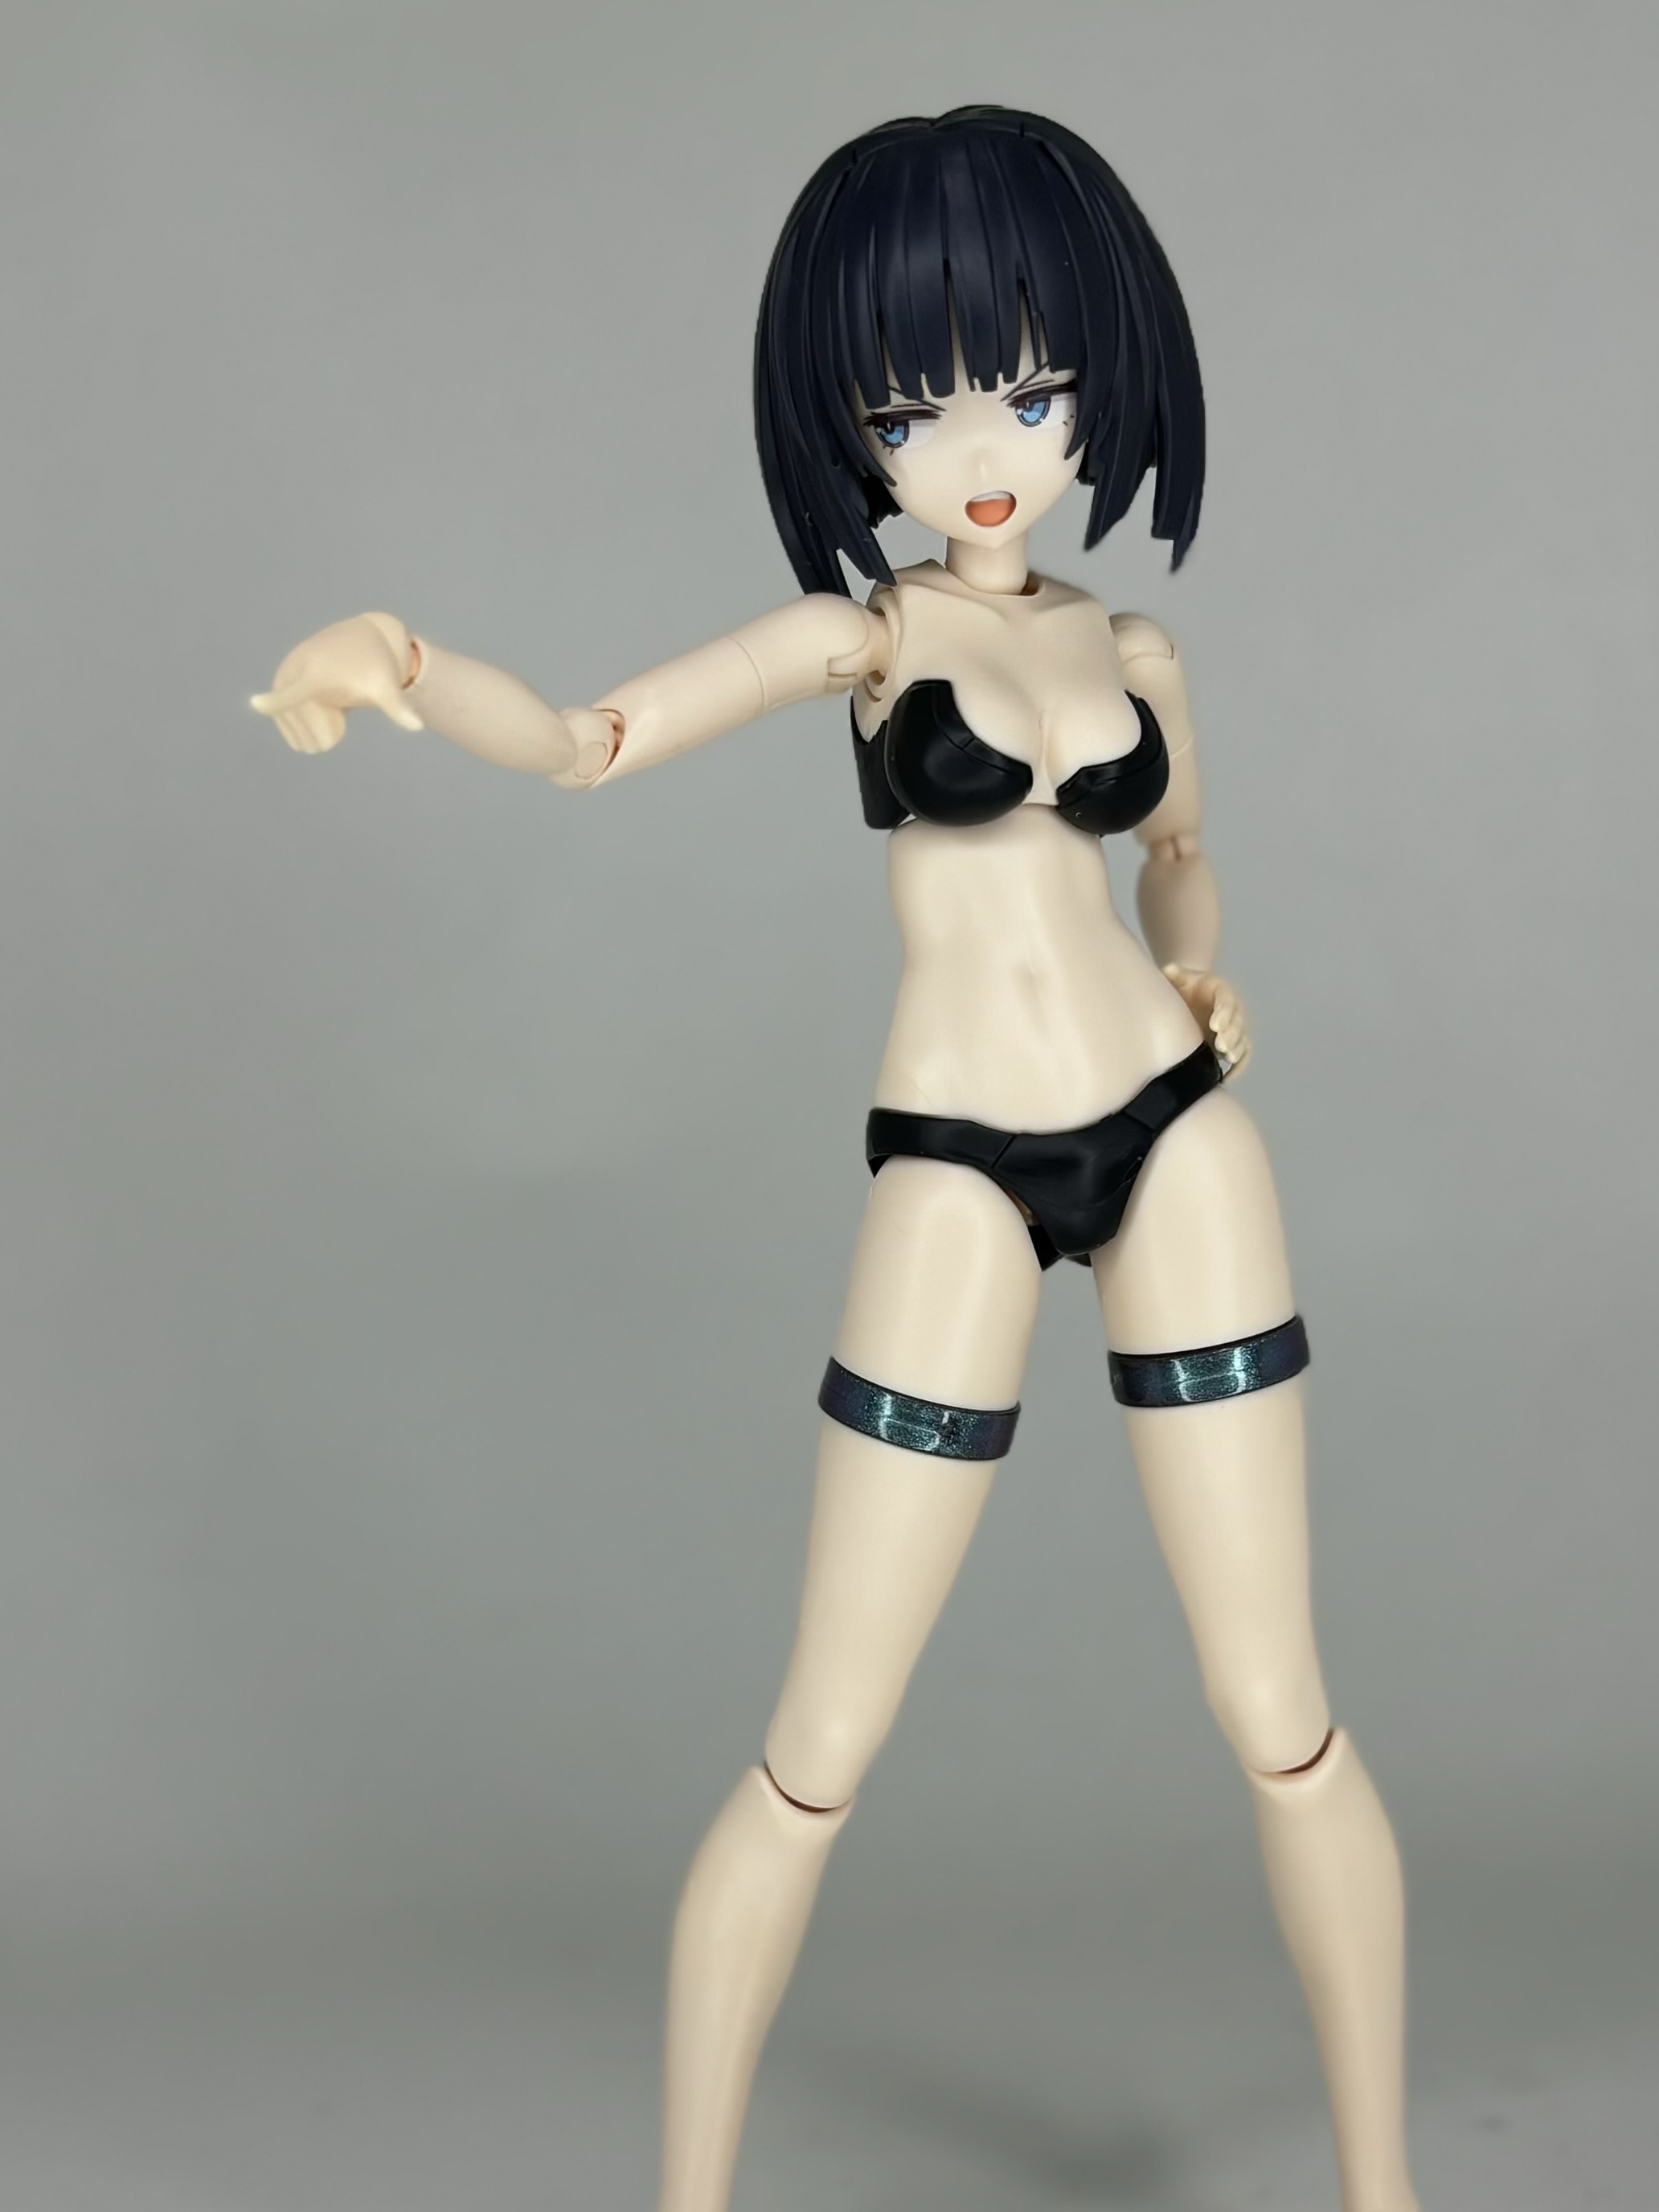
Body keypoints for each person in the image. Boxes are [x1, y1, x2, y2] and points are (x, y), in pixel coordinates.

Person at [254, 104, 1420, 2212]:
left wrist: (1202, 969)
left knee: (1283, 1711)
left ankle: (1385, 2190)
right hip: (958, 1157)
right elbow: (595, 742)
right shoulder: (867, 641)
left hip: (1177, 1136)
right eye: (913, 406)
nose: (982, 448)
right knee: (820, 1748)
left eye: (1029, 389)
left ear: (1105, 375)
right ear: (850, 427)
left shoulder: (1138, 653)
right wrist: (406, 667)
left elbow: (1180, 850)